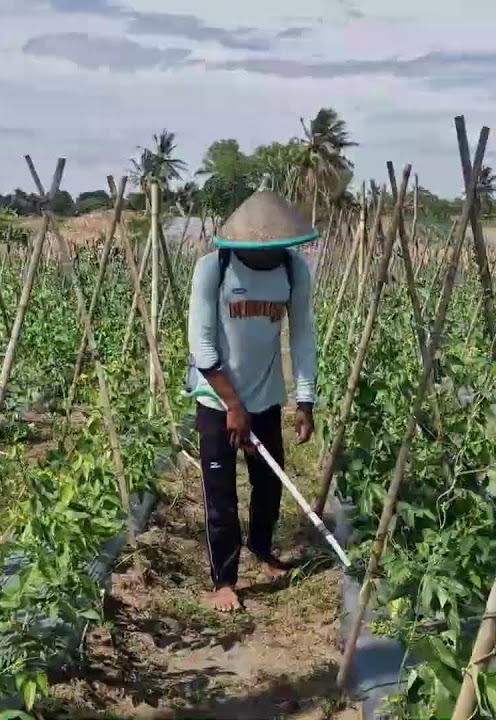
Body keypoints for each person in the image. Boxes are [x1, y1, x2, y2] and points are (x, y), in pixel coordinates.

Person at [185, 191, 318, 612]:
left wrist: (305, 400)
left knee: (267, 481)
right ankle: (224, 580)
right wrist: (231, 406)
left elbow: (301, 337)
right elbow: (201, 344)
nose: (270, 254)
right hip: (216, 398)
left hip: (264, 397)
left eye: (277, 247)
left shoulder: (295, 272)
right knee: (220, 492)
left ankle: (262, 548)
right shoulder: (213, 269)